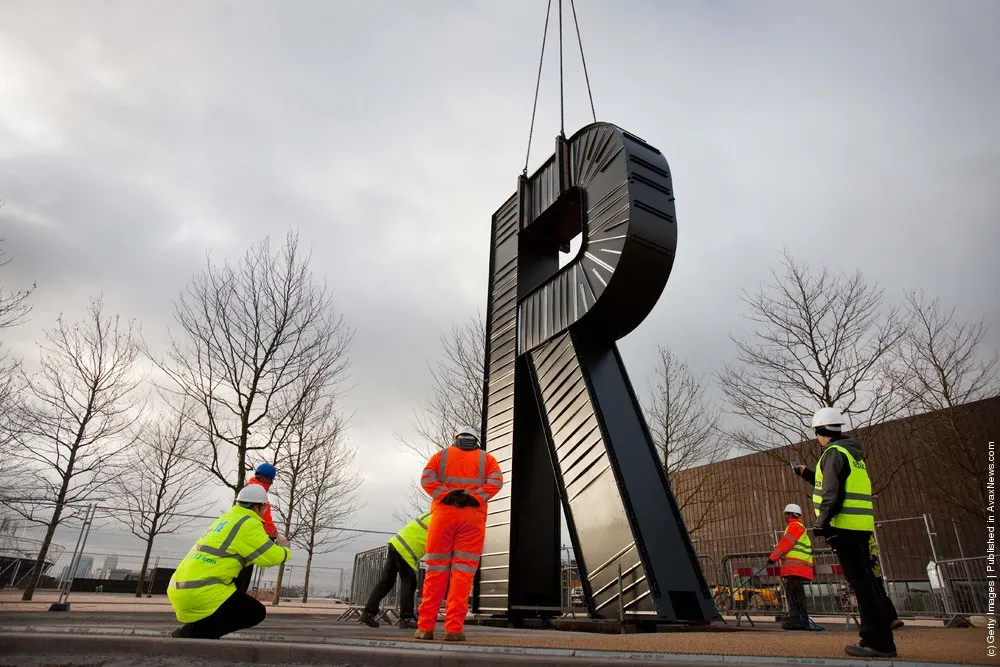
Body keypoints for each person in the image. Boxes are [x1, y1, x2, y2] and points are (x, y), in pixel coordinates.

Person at [794, 407, 896, 658]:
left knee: (861, 585)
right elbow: (841, 484)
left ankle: (877, 642)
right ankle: (883, 638)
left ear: (819, 432)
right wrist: (808, 474)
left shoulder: (832, 453)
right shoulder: (853, 455)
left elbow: (831, 491)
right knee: (868, 583)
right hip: (860, 527)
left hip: (843, 526)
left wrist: (822, 522)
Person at [168, 484, 291, 639]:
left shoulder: (225, 520)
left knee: (232, 600)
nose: (264, 512)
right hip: (202, 591)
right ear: (256, 507)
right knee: (254, 612)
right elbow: (271, 557)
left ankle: (196, 635)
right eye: (264, 508)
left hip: (180, 587)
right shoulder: (249, 523)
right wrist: (285, 549)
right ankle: (189, 635)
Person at [415, 426, 503, 642]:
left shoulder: (441, 456)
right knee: (462, 575)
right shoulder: (487, 459)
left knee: (435, 573)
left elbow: (426, 479)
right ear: (476, 440)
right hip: (472, 518)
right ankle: (453, 630)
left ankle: (425, 628)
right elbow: (496, 481)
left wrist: (446, 495)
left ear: (456, 438)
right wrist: (475, 497)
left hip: (443, 518)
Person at [359, 510, 432, 630]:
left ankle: (368, 612)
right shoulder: (440, 517)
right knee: (409, 582)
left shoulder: (432, 513)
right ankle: (406, 618)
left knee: (386, 582)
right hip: (406, 550)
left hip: (396, 543)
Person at [234, 463, 279, 595]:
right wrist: (275, 535)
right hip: (250, 541)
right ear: (266, 479)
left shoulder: (247, 489)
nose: (270, 485)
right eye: (270, 481)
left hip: (240, 539)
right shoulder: (259, 494)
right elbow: (265, 520)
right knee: (242, 581)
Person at [768, 503, 814, 631]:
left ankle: (798, 619)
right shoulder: (798, 527)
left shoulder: (794, 526)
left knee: (795, 594)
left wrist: (773, 557)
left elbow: (786, 543)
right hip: (798, 568)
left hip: (795, 568)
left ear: (790, 514)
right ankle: (798, 618)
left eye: (786, 514)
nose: (785, 516)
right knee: (795, 593)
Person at [870, 534, 904, 629]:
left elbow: (874, 546)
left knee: (880, 595)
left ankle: (891, 619)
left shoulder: (865, 534)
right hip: (863, 571)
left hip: (872, 571)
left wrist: (873, 556)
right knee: (871, 597)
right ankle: (878, 621)